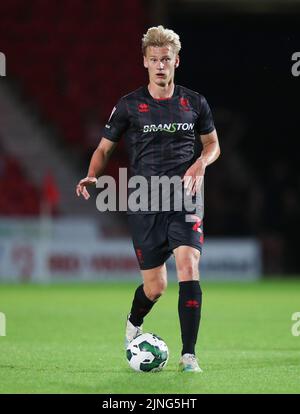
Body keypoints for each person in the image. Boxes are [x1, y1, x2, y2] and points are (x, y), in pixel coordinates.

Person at [76, 25, 220, 372]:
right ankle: (133, 322)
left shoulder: (194, 102)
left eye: (166, 60)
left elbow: (213, 145)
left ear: (176, 61)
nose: (160, 65)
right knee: (155, 287)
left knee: (189, 266)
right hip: (144, 201)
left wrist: (201, 163)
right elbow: (104, 148)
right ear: (145, 61)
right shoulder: (129, 106)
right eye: (154, 59)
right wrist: (93, 174)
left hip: (184, 198)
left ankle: (189, 355)